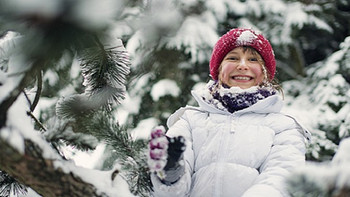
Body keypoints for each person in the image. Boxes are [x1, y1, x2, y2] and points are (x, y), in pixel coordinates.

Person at [147, 28, 310, 197]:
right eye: (233, 58)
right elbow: (173, 192)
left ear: (265, 74)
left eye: (253, 60)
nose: (242, 65)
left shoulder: (284, 127)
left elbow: (280, 179)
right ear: (218, 70)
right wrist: (171, 171)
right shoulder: (190, 120)